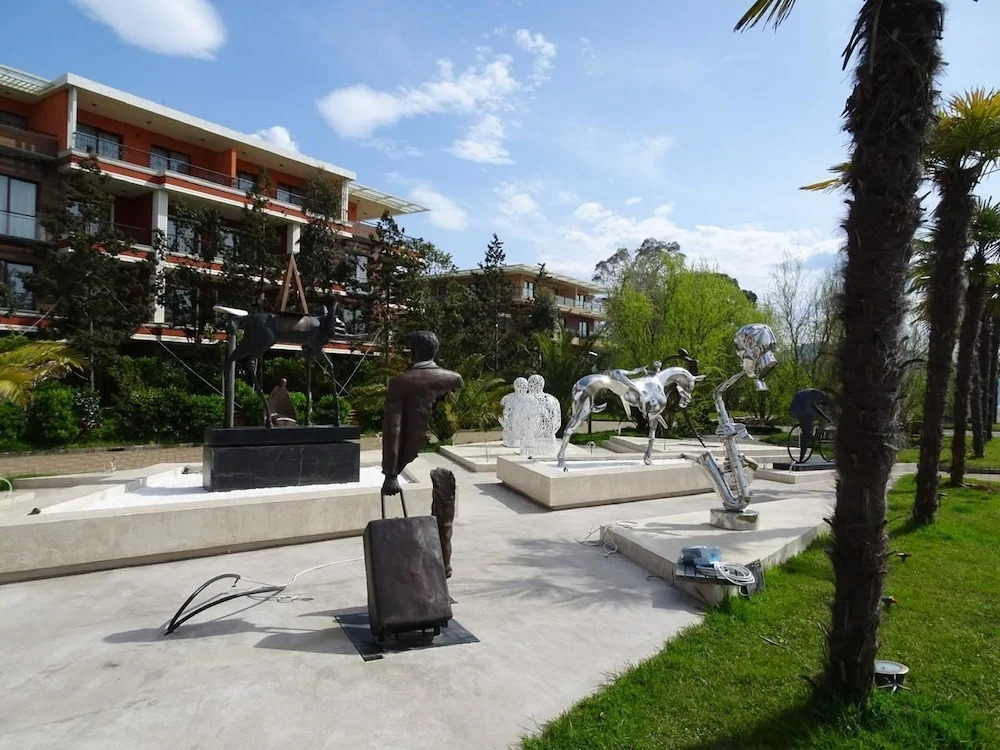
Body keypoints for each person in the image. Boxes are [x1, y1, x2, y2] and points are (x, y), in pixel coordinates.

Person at [381, 331, 464, 496]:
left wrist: (391, 474)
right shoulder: (455, 379)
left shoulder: (399, 383)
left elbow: (393, 427)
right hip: (454, 466)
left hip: (410, 456)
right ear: (436, 350)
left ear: (413, 352)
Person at [789, 388, 838, 463]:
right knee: (807, 433)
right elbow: (816, 407)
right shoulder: (817, 394)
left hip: (797, 411)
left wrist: (825, 417)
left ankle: (806, 443)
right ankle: (802, 457)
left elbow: (815, 406)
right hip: (806, 412)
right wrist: (826, 417)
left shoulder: (809, 393)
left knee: (806, 430)